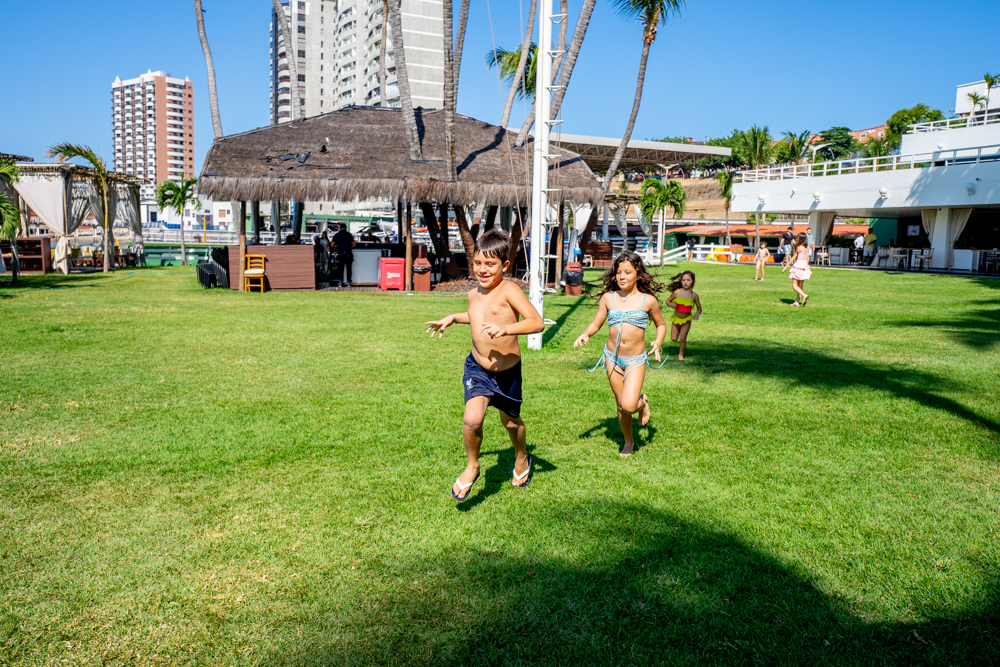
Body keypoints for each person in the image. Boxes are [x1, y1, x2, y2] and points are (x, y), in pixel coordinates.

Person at [424, 230, 544, 500]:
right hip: (477, 368)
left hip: (507, 373)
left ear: (504, 265)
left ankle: (521, 456)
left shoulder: (509, 290)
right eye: (477, 263)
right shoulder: (473, 294)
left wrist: (506, 328)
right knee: (472, 419)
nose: (482, 269)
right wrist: (453, 318)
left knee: (511, 424)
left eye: (490, 264)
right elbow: (476, 315)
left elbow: (536, 322)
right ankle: (472, 465)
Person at [574, 251, 667, 457]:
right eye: (618, 272)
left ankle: (642, 402)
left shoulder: (647, 301)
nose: (622, 276)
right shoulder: (609, 298)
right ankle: (628, 441)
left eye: (627, 272)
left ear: (638, 274)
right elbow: (596, 323)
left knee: (629, 404)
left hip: (635, 360)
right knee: (621, 404)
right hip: (612, 358)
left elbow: (661, 324)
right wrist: (585, 333)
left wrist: (658, 341)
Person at [664, 270, 702, 361]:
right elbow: (667, 301)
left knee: (683, 338)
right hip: (676, 319)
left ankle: (681, 355)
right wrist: (671, 304)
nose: (685, 282)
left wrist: (697, 312)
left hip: (686, 319)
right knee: (674, 338)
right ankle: (676, 340)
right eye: (683, 280)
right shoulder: (677, 292)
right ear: (681, 281)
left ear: (693, 282)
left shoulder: (694, 295)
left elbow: (699, 308)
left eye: (688, 280)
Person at [782, 232, 812, 306]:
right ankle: (797, 301)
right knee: (800, 285)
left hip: (798, 266)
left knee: (794, 285)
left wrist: (786, 266)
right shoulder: (807, 248)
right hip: (804, 267)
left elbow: (793, 258)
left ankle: (804, 295)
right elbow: (808, 258)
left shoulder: (799, 247)